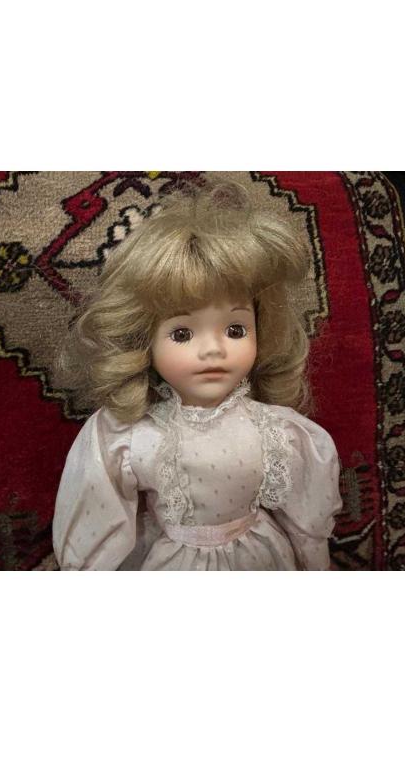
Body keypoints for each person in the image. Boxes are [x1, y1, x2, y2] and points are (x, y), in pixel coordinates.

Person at [52, 179, 343, 570]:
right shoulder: (129, 437)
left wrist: (316, 566)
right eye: (182, 334)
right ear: (143, 341)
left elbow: (306, 521)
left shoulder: (278, 431)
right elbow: (97, 522)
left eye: (235, 330)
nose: (213, 349)